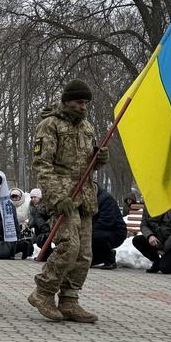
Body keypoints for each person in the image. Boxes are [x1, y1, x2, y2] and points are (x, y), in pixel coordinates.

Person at [29, 79, 108, 323]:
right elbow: (42, 164)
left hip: (84, 197)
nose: (82, 107)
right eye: (78, 102)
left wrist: (99, 158)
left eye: (85, 103)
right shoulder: (49, 125)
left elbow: (87, 165)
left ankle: (70, 300)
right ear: (66, 101)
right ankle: (43, 292)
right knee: (68, 246)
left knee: (84, 254)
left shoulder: (87, 128)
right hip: (63, 197)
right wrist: (56, 196)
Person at [132, 200, 171, 274]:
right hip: (156, 240)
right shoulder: (149, 203)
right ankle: (157, 261)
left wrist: (164, 248)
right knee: (137, 240)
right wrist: (150, 236)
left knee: (165, 269)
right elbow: (144, 225)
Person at [91, 186, 127, 269]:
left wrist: (89, 230)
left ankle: (110, 259)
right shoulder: (93, 199)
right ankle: (100, 257)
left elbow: (106, 221)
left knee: (95, 235)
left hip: (116, 232)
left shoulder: (106, 199)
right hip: (102, 230)